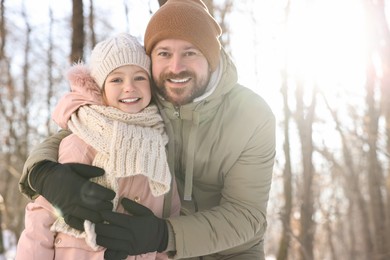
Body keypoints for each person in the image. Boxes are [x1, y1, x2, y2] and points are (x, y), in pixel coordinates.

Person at [19, 0, 276, 259]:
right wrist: (41, 172)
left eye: (190, 52)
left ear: (211, 57)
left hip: (227, 252)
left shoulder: (252, 115)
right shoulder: (145, 98)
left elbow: (246, 215)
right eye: (164, 53)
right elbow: (83, 128)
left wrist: (164, 235)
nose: (176, 68)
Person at [16, 33, 180, 260]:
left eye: (140, 78)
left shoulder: (159, 148)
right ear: (99, 89)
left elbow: (168, 217)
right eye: (116, 80)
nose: (129, 87)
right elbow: (42, 215)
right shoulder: (81, 140)